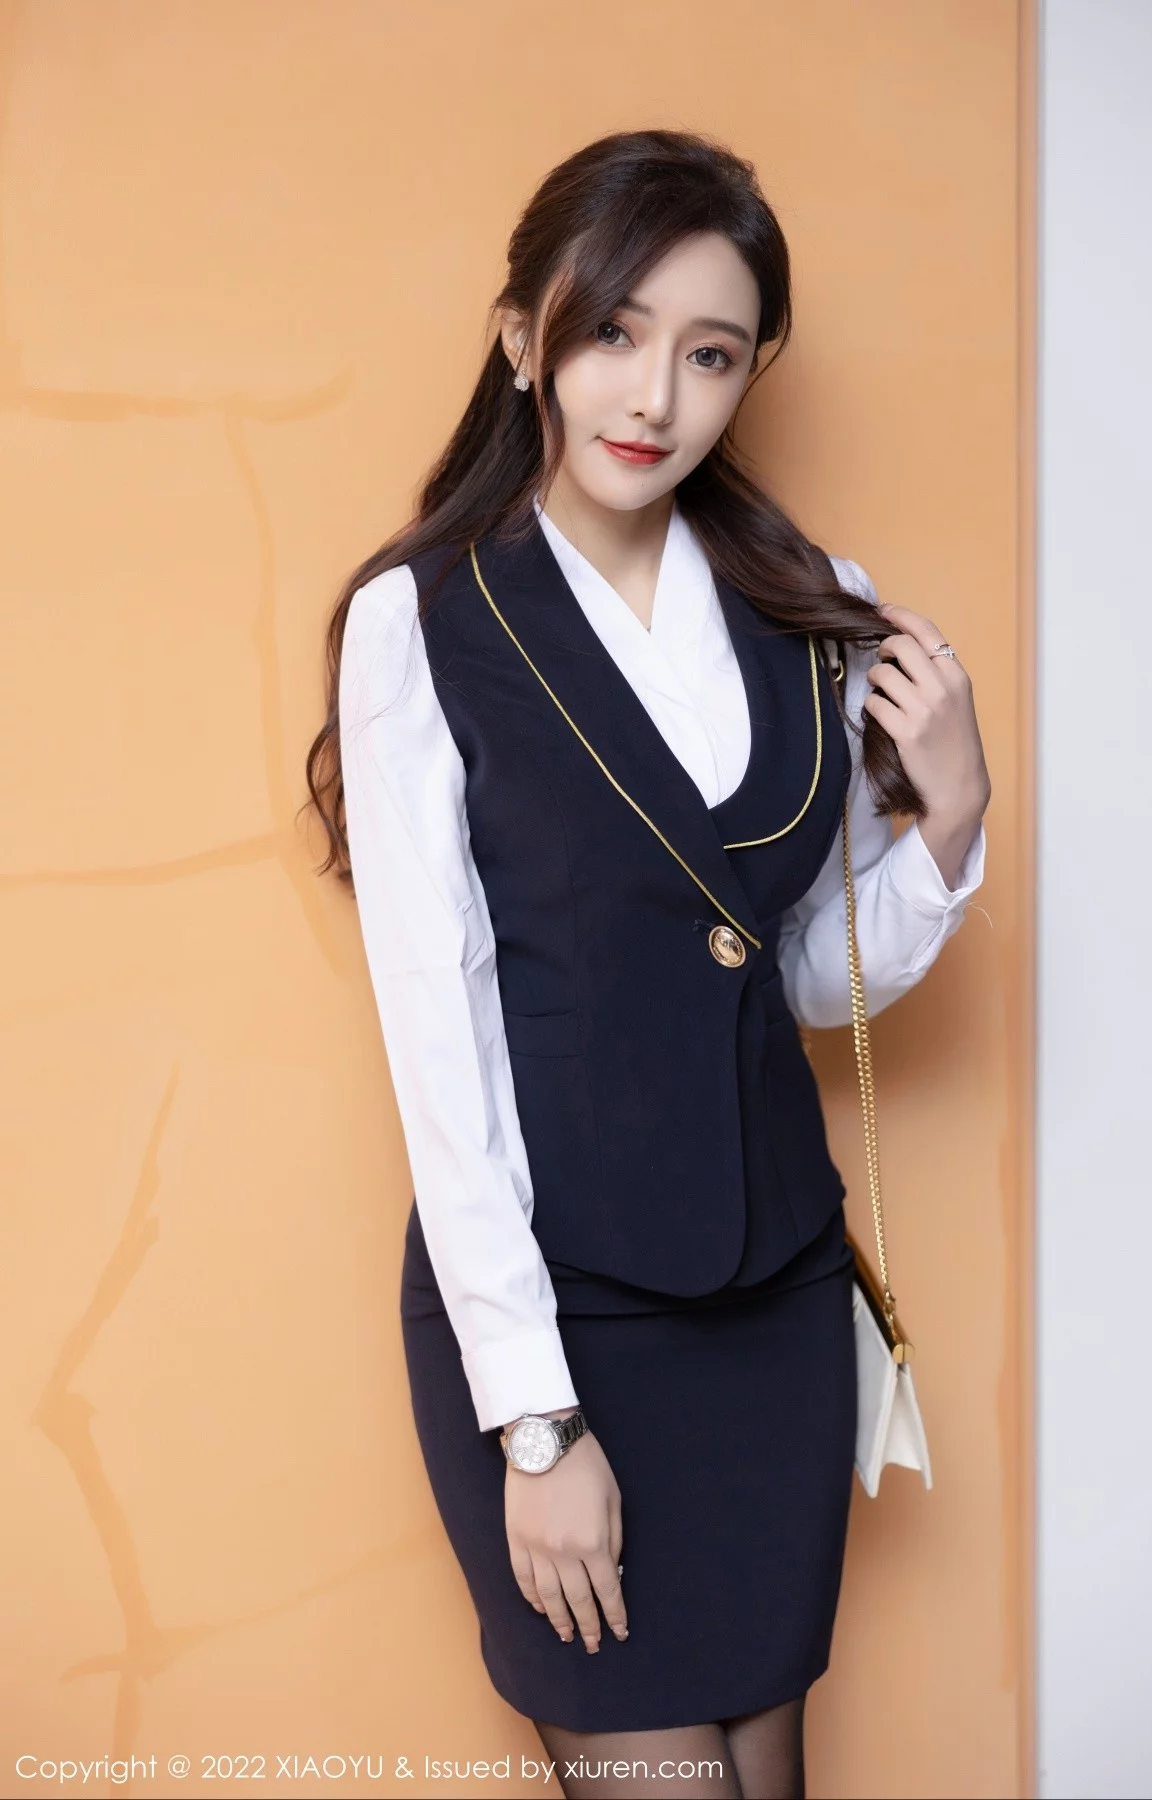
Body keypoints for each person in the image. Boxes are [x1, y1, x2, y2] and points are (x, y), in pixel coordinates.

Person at [305, 128, 990, 1800]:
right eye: (614, 330)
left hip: (777, 1307)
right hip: (559, 1314)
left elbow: (798, 978)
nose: (655, 395)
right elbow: (443, 1050)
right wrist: (535, 1423)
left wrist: (950, 825)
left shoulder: (814, 605)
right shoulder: (423, 622)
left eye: (711, 352)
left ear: (753, 373)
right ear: (522, 335)